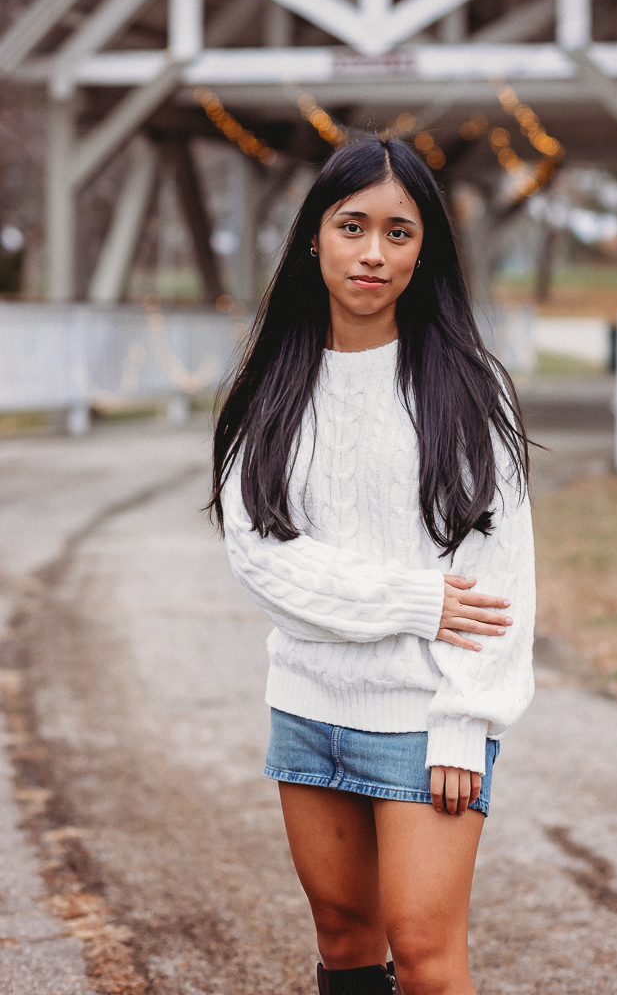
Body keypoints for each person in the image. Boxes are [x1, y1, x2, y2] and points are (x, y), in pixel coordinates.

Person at [209, 137, 536, 995]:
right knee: (346, 939)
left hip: (426, 723)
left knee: (428, 958)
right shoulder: (270, 386)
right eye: (353, 226)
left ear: (423, 249)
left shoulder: (466, 388)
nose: (373, 252)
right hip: (306, 707)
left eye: (399, 231)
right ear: (315, 237)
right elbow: (261, 559)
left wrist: (467, 718)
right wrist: (416, 599)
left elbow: (498, 578)